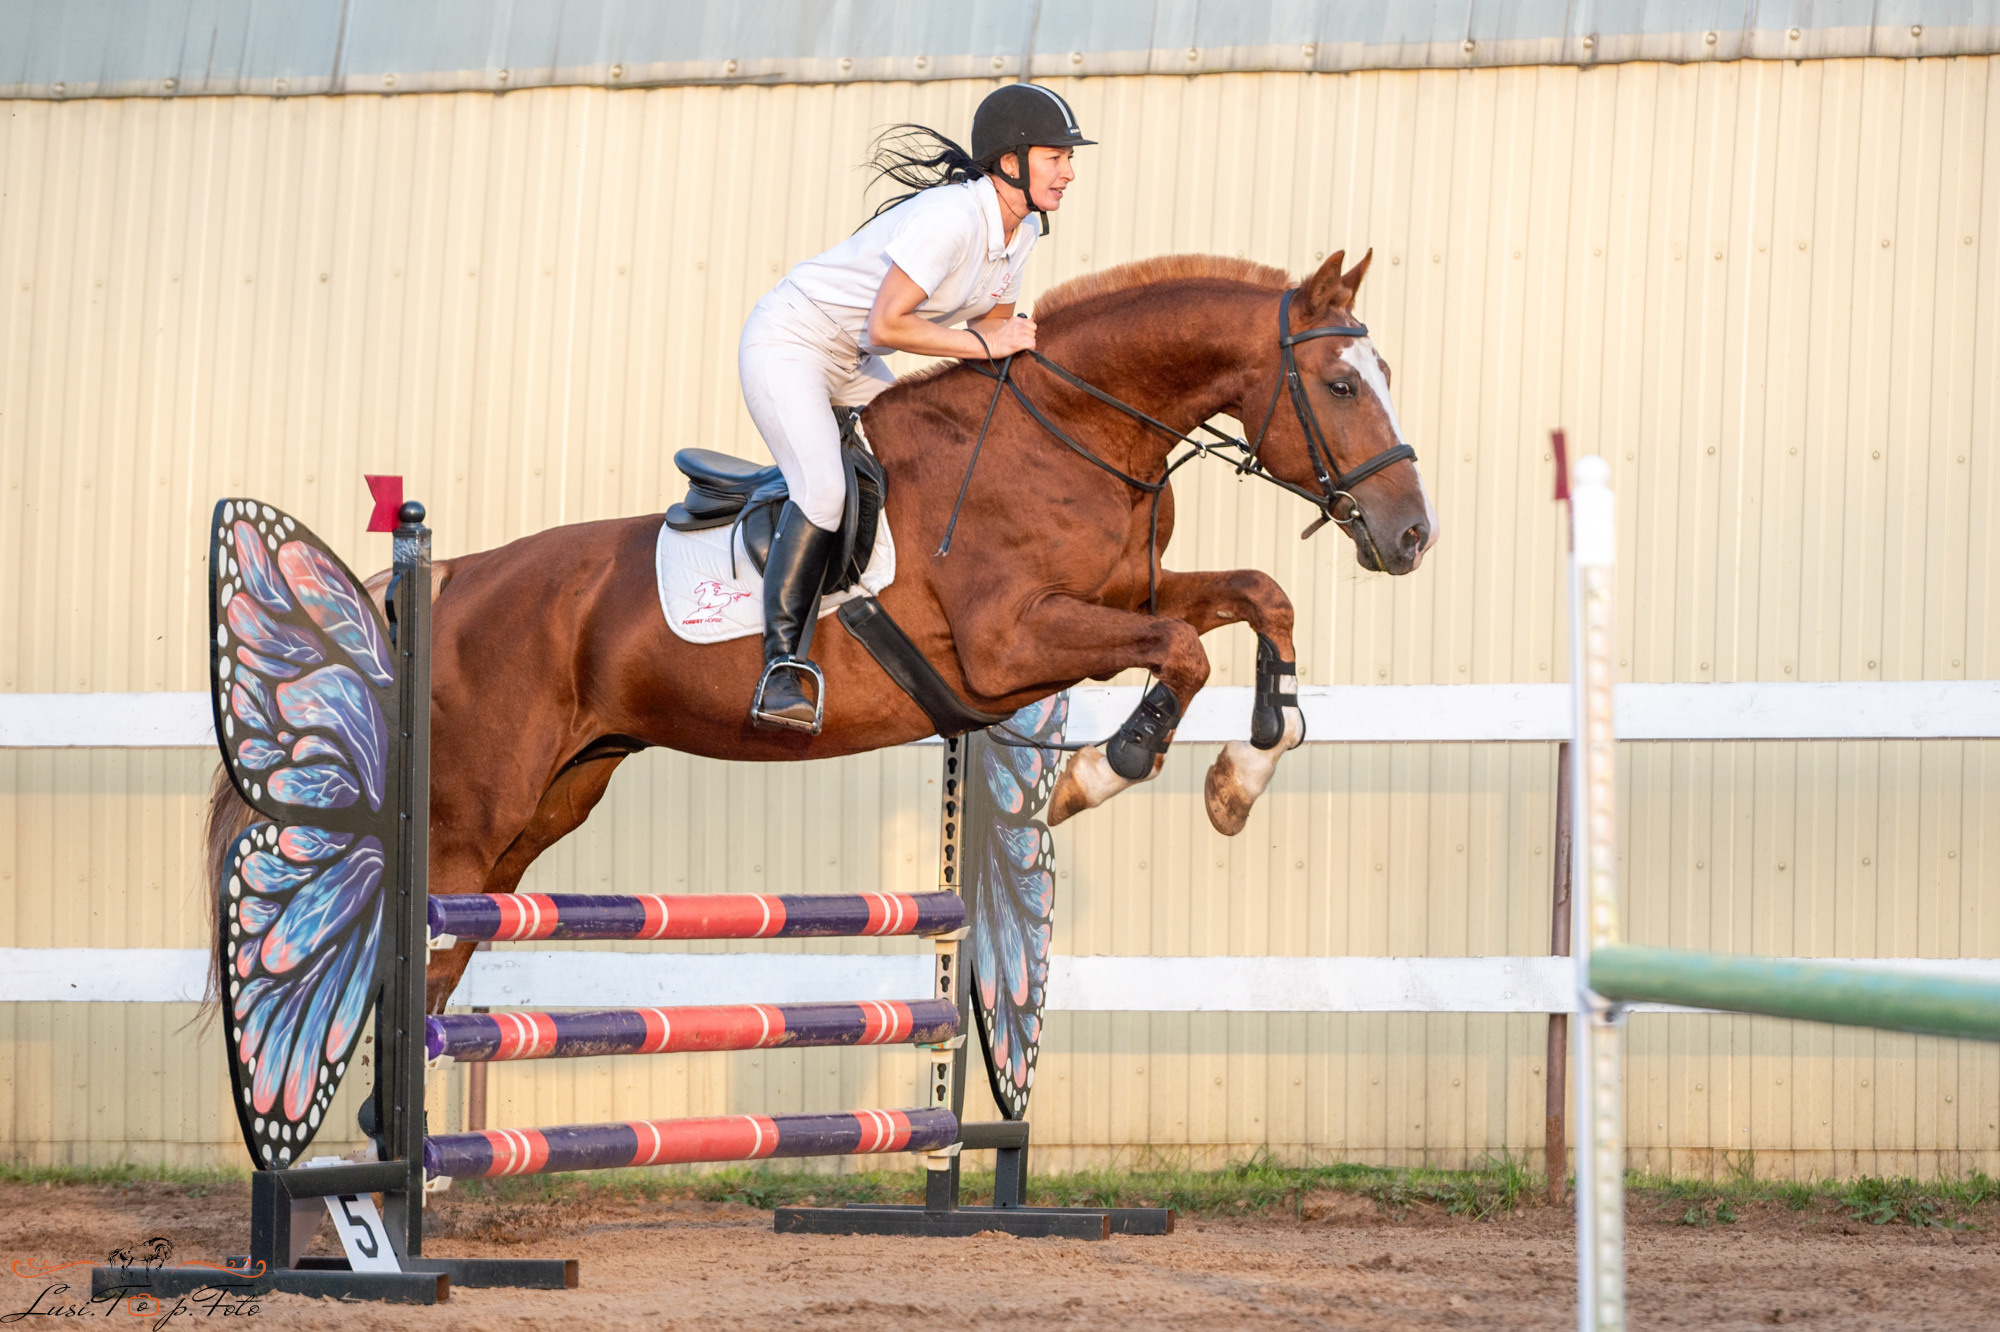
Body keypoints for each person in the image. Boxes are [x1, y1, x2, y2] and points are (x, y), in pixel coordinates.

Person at [738, 83, 1092, 732]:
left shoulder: (1021, 234)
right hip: (790, 343)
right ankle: (781, 666)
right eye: (1056, 157)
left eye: (1070, 158)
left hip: (849, 360)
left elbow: (987, 355)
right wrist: (983, 341)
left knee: (940, 467)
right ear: (1010, 161)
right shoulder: (953, 218)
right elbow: (889, 326)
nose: (1069, 172)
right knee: (822, 493)